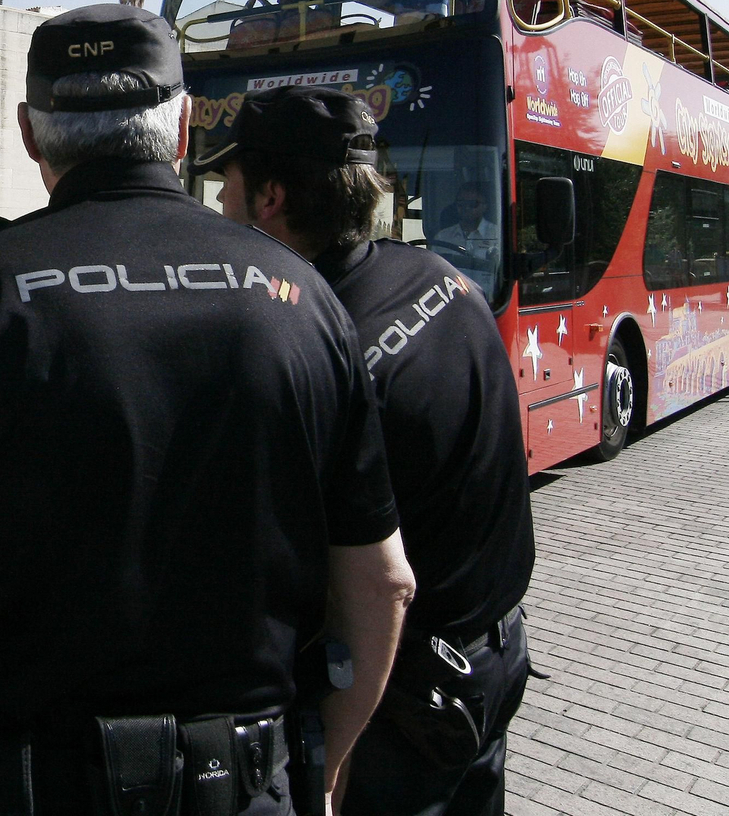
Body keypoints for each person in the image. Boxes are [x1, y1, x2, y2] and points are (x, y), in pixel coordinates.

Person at [0, 4, 414, 816]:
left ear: (31, 133)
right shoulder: (303, 297)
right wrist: (326, 766)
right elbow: (382, 584)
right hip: (237, 789)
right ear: (180, 129)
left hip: (14, 790)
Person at [200, 85, 534, 816]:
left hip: (400, 703)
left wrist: (336, 748)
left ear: (270, 198)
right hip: (495, 659)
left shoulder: (318, 346)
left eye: (224, 184)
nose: (218, 203)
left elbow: (376, 585)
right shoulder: (445, 281)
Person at [434, 181, 500, 299]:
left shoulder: (497, 235)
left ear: (485, 206)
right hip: (452, 301)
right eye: (461, 204)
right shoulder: (442, 237)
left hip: (488, 301)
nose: (466, 208)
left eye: (473, 204)